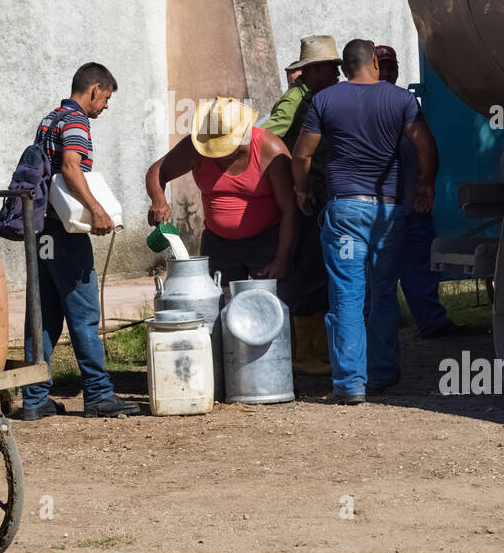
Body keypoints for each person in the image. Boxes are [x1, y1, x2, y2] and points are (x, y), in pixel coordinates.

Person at [292, 39, 437, 404]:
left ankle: (350, 383)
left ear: (343, 68)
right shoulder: (402, 100)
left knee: (347, 296)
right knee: (385, 293)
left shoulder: (325, 100)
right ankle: (383, 374)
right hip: (388, 212)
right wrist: (425, 183)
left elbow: (302, 154)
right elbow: (425, 147)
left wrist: (302, 189)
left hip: (345, 212)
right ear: (374, 61)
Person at [15, 63, 140, 421]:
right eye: (106, 99)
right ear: (95, 89)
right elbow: (71, 167)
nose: (105, 106)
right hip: (66, 234)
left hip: (41, 231)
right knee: (84, 315)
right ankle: (99, 394)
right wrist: (97, 210)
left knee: (43, 316)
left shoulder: (49, 119)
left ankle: (35, 397)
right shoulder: (76, 122)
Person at [146, 97, 295, 285]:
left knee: (268, 305)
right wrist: (158, 199)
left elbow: (290, 209)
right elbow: (157, 171)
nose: (218, 154)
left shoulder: (271, 150)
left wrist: (281, 259)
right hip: (218, 244)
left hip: (267, 242)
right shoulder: (197, 146)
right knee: (218, 303)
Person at [264, 36, 343, 375]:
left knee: (325, 272)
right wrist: (299, 187)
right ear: (312, 71)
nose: (337, 73)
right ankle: (308, 354)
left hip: (324, 194)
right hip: (309, 196)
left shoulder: (326, 98)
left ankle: (320, 350)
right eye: (330, 67)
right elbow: (268, 136)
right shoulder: (298, 101)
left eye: (338, 66)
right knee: (309, 270)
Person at [376, 46, 454, 339]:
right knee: (378, 274)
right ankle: (382, 331)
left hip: (411, 200)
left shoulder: (405, 101)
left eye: (391, 67)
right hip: (379, 209)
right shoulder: (366, 102)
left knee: (421, 267)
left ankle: (431, 322)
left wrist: (425, 182)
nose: (386, 73)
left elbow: (425, 146)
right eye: (381, 67)